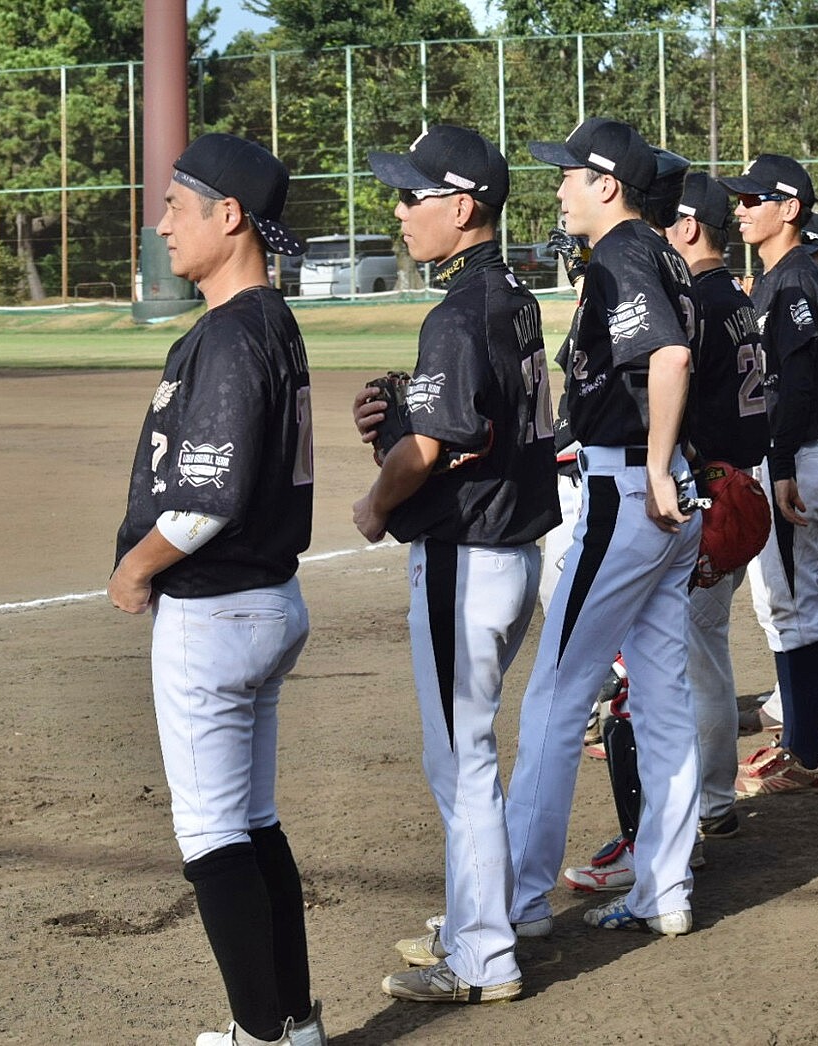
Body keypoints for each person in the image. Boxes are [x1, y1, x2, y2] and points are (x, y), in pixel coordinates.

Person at [108, 132, 325, 1046]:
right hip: (266, 603)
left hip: (215, 609)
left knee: (211, 839)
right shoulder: (272, 320)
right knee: (253, 824)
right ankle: (291, 1023)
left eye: (173, 206)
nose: (160, 225)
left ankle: (261, 1035)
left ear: (227, 216)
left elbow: (208, 497)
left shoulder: (232, 333)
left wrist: (135, 566)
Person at [349, 125, 560, 1005]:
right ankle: (479, 915)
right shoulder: (510, 295)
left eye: (413, 195)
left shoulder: (457, 311)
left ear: (462, 206)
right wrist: (402, 412)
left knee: (460, 761)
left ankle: (482, 955)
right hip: (509, 550)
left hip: (465, 562)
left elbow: (434, 448)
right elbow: (474, 421)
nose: (399, 211)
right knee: (468, 754)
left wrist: (376, 499)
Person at [503, 116, 703, 938]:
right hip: (668, 498)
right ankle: (666, 890)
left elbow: (670, 358)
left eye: (567, 174)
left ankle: (511, 906)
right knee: (664, 699)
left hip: (631, 492)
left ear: (606, 184)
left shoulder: (622, 254)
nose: (557, 187)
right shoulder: (661, 250)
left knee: (554, 696)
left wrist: (654, 467)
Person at [561, 170, 770, 892]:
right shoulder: (725, 295)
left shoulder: (692, 294)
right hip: (729, 484)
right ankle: (702, 814)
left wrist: (659, 465)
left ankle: (691, 821)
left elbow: (667, 382)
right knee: (696, 660)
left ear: (685, 227)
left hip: (693, 492)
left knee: (667, 672)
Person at [723, 154, 818, 795]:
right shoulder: (776, 277)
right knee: (782, 607)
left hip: (789, 459)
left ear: (788, 209)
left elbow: (794, 383)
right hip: (781, 457)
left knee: (797, 609)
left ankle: (807, 754)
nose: (739, 208)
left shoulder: (794, 280)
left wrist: (786, 461)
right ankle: (796, 742)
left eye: (752, 199)